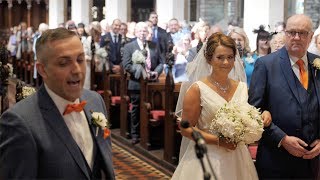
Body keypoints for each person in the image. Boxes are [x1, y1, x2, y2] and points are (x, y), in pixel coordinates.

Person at [0, 28, 115, 179]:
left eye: (80, 60)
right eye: (63, 63)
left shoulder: (95, 101)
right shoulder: (20, 122)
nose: (77, 70)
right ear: (42, 70)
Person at [172, 32, 271, 180]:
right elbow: (186, 129)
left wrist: (262, 115)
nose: (226, 62)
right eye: (220, 57)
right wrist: (218, 141)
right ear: (209, 59)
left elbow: (246, 115)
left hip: (237, 157)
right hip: (207, 156)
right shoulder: (197, 89)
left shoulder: (242, 87)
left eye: (230, 57)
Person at [249, 14, 320, 179]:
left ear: (310, 37)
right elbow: (254, 111)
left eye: (302, 33)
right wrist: (282, 139)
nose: (296, 37)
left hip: (312, 161)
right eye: (292, 32)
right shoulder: (266, 65)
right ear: (285, 34)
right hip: (276, 159)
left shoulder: (318, 63)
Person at [122, 22, 164, 144]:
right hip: (136, 83)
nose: (142, 33)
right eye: (140, 31)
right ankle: (135, 134)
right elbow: (127, 65)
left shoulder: (154, 45)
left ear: (148, 32)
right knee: (136, 109)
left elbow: (161, 62)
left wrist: (156, 72)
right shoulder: (129, 46)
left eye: (145, 31)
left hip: (152, 83)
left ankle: (149, 135)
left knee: (149, 109)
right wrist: (140, 71)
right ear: (136, 32)